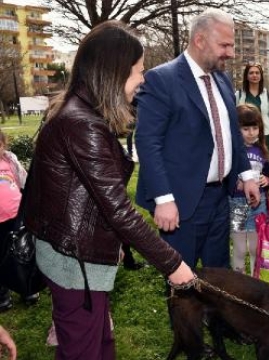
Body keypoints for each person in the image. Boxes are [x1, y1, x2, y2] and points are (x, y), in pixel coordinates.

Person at [21, 21, 195, 359]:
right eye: (138, 71)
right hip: (74, 264)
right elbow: (118, 209)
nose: (142, 79)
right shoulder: (82, 124)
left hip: (73, 256)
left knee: (98, 343)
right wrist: (173, 264)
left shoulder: (77, 112)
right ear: (113, 72)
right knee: (85, 349)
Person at [135, 9, 260, 270]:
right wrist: (163, 199)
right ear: (200, 40)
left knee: (220, 276)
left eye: (231, 45)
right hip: (182, 203)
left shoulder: (223, 79)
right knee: (182, 281)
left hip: (220, 197)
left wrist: (246, 175)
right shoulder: (161, 79)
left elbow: (229, 131)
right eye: (224, 45)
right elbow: (148, 143)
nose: (231, 53)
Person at [230, 104, 269, 275]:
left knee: (256, 248)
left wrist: (266, 180)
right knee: (240, 249)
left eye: (255, 128)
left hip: (258, 205)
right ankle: (239, 285)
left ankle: (256, 282)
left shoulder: (262, 150)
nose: (251, 132)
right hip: (237, 205)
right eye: (245, 128)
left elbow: (268, 174)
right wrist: (235, 182)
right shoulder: (232, 151)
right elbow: (225, 176)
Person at [0, 129, 37, 312]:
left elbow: (24, 180)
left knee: (21, 251)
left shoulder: (9, 160)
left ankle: (26, 287)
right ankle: (2, 296)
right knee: (1, 256)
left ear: (3, 145)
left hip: (16, 217)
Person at [235, 63, 269, 151]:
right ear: (246, 76)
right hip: (245, 138)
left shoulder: (268, 95)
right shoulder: (238, 95)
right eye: (251, 73)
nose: (254, 75)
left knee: (265, 163)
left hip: (265, 136)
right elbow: (234, 117)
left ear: (261, 76)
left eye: (257, 73)